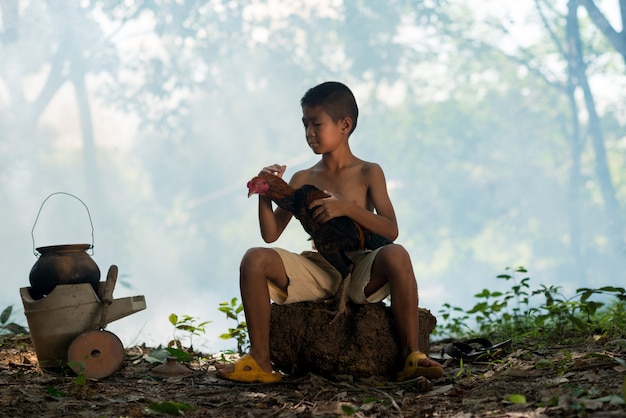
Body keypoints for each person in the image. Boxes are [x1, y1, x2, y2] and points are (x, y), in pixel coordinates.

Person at [216, 81, 443, 383]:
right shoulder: (303, 176)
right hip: (320, 267)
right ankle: (260, 361)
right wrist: (264, 190)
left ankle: (411, 356)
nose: (309, 132)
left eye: (316, 124)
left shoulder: (368, 172)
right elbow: (270, 235)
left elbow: (391, 229)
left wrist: (347, 208)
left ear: (345, 125)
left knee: (397, 255)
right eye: (305, 124)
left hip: (361, 264)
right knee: (254, 259)